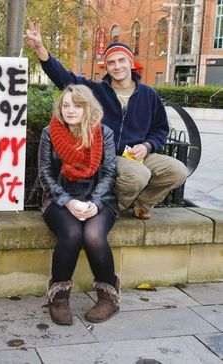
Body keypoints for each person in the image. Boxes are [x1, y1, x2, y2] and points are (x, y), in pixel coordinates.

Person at [25, 21, 188, 219]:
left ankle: (142, 203)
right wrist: (41, 49)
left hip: (140, 154)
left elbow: (160, 129)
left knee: (178, 171)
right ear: (106, 66)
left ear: (131, 63)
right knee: (137, 175)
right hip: (111, 154)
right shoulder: (97, 90)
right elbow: (63, 78)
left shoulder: (148, 94)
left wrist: (147, 146)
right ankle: (108, 209)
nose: (117, 66)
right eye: (111, 62)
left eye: (121, 60)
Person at [39, 85, 120, 325]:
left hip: (99, 197)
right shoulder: (49, 133)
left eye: (77, 105)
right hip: (59, 197)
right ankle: (59, 298)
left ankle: (108, 298)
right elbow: (45, 174)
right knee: (72, 234)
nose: (71, 110)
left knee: (94, 235)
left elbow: (109, 172)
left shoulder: (103, 133)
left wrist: (95, 203)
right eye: (66, 105)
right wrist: (68, 201)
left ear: (88, 107)